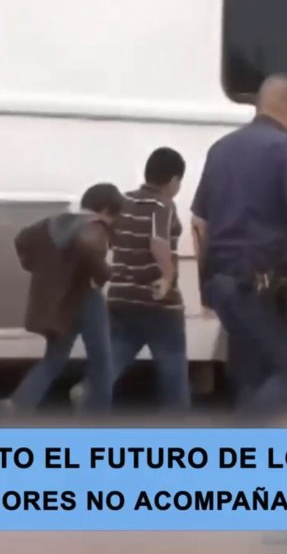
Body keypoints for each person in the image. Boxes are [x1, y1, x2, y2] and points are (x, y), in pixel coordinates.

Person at [190, 73, 287, 417]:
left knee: (252, 375)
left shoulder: (220, 149)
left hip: (224, 285)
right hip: (266, 287)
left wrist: (204, 286)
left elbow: (200, 224)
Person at [70, 148, 191, 412]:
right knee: (173, 369)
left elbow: (104, 235)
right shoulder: (162, 205)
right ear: (173, 180)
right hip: (159, 303)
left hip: (121, 296)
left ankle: (90, 391)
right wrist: (167, 276)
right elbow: (158, 240)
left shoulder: (122, 202)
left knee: (114, 358)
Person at [0, 183, 125, 415]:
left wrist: (36, 267)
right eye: (116, 215)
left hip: (60, 303)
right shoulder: (95, 224)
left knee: (54, 359)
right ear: (107, 210)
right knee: (101, 361)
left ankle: (17, 405)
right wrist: (104, 273)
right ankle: (98, 415)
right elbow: (86, 246)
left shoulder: (56, 221)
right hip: (86, 296)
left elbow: (21, 239)